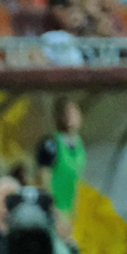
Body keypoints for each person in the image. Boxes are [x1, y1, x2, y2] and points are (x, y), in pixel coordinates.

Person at [36, 96, 86, 229]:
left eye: (75, 112)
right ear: (58, 118)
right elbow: (43, 179)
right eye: (67, 113)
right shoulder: (51, 144)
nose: (71, 117)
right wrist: (54, 211)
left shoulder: (79, 145)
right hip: (54, 214)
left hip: (72, 212)